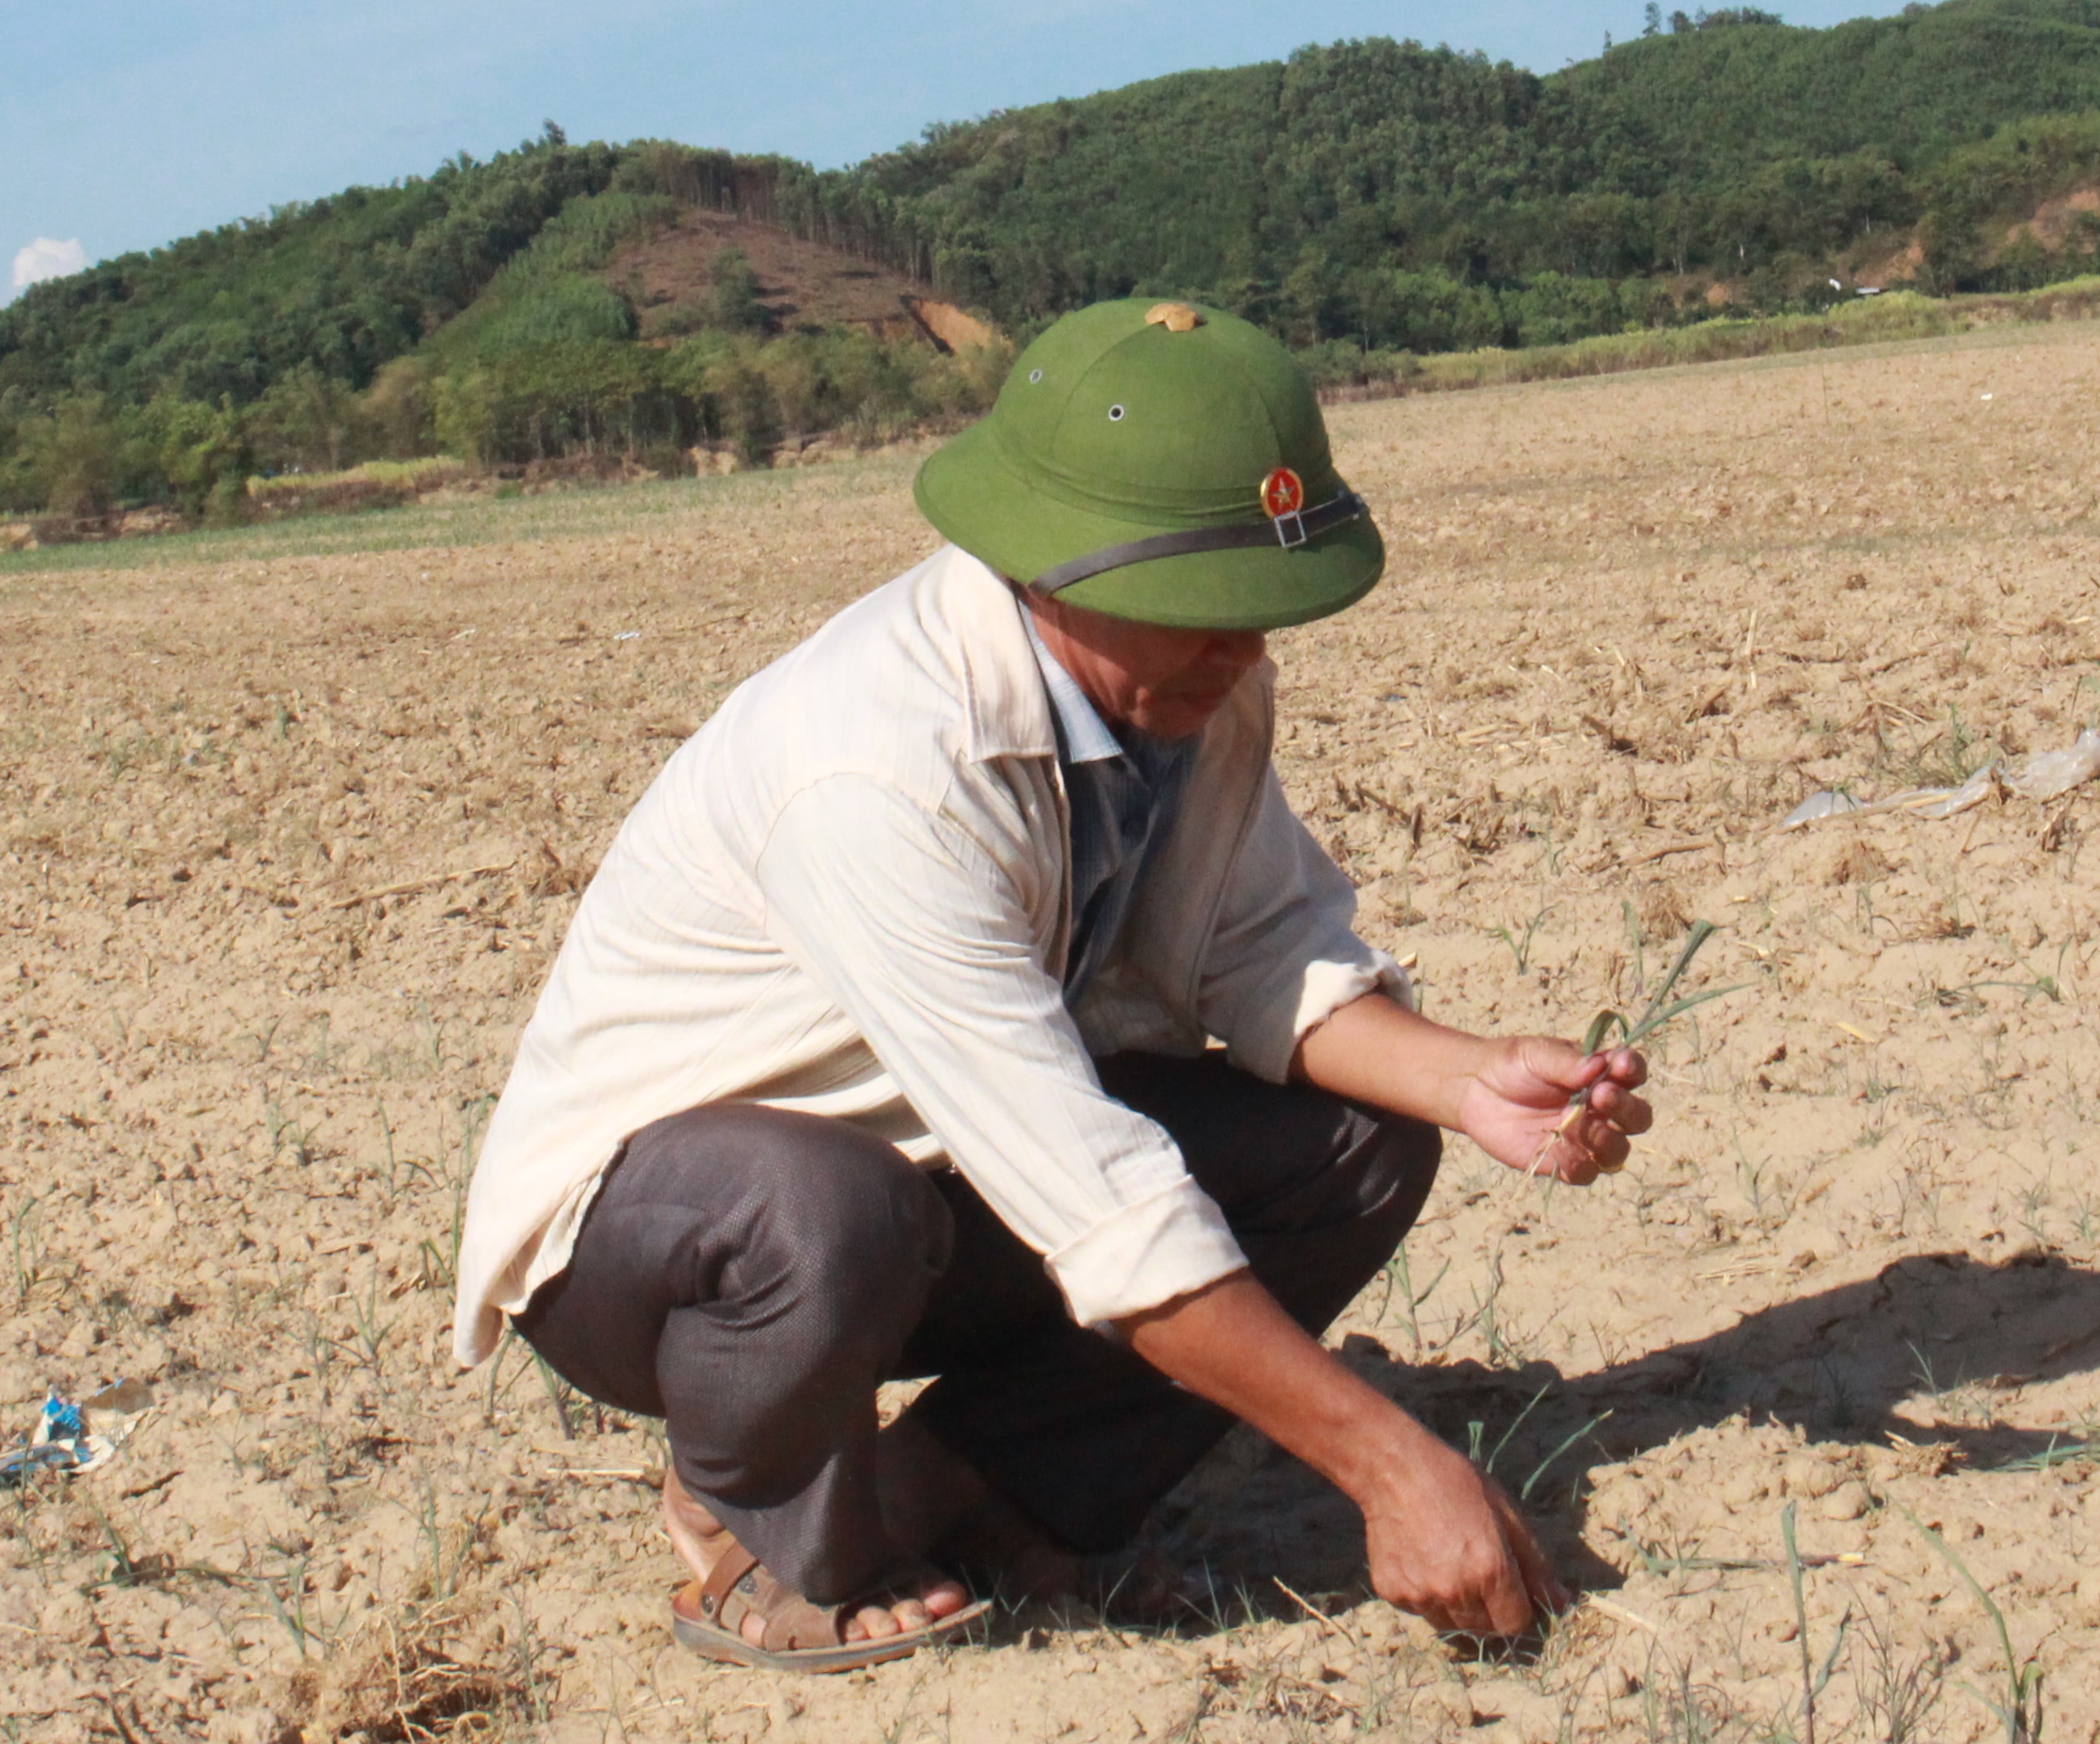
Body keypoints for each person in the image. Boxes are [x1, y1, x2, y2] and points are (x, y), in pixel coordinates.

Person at [451, 297, 1652, 1671]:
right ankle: (748, 1518)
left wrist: (1468, 1080)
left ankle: (964, 1489)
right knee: (824, 1206)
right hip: (674, 1247)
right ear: (1058, 569)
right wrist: (1391, 1466)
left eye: (1257, 611)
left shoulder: (1182, 685)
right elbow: (1087, 1186)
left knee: (1358, 1153)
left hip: (939, 1184)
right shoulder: (878, 769)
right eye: (1206, 610)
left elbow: (1255, 952)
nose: (1246, 648)